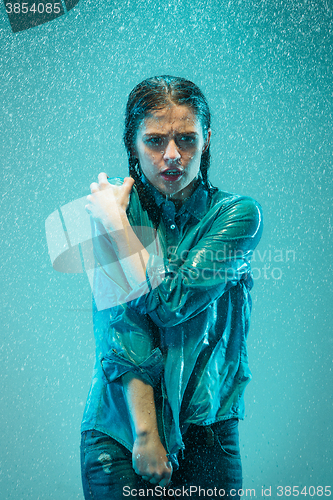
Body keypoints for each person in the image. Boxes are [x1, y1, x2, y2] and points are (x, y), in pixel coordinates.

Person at [80, 75, 263, 499]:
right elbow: (122, 327)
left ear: (207, 139)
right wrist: (147, 433)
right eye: (155, 141)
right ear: (133, 143)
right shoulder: (113, 208)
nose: (173, 156)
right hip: (121, 431)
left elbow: (172, 303)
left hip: (209, 429)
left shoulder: (238, 215)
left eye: (186, 139)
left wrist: (117, 229)